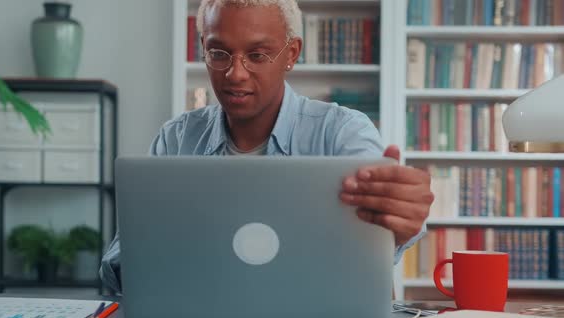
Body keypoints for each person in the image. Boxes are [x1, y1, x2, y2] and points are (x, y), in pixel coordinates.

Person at [100, 0, 433, 294]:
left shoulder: (342, 133)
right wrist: (141, 260)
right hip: (201, 316)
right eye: (218, 53)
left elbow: (376, 243)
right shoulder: (176, 138)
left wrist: (397, 223)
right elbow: (119, 263)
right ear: (203, 47)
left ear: (291, 54)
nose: (235, 74)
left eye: (257, 55)